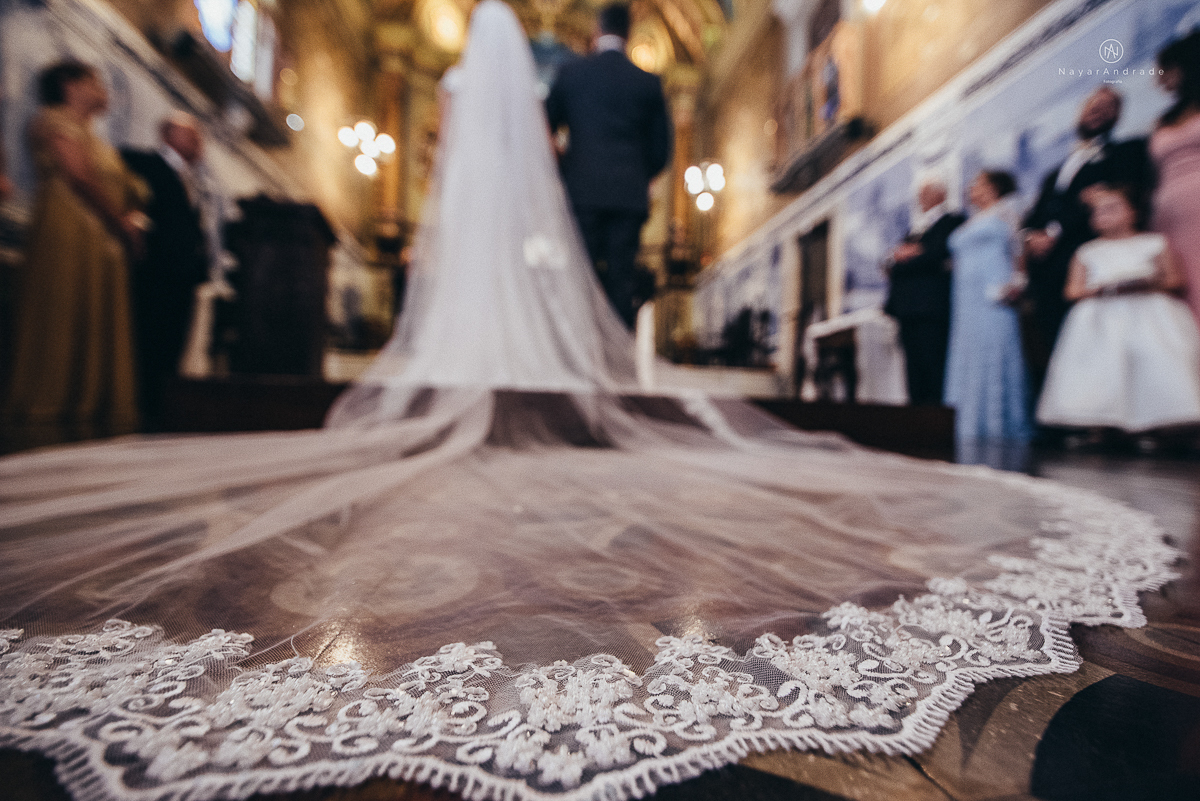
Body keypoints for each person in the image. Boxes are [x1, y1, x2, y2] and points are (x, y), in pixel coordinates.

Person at [0, 7, 1179, 801]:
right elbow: (652, 151)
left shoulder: (541, 84)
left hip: (574, 183)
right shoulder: (637, 80)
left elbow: (545, 143)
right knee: (607, 296)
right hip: (617, 195)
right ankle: (599, 367)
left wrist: (558, 174)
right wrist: (613, 185)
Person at [2, 61, 147, 451]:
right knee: (60, 312)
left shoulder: (94, 136)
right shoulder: (54, 120)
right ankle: (46, 414)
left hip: (96, 237)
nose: (104, 90)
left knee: (90, 318)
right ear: (70, 84)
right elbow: (78, 176)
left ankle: (88, 412)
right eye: (95, 82)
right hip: (67, 229)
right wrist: (120, 223)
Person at [546, 2, 672, 329]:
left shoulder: (571, 74)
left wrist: (566, 167)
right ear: (629, 34)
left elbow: (544, 129)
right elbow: (661, 151)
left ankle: (579, 347)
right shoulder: (647, 83)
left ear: (596, 31)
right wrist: (636, 175)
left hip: (582, 193)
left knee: (580, 275)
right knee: (621, 279)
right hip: (628, 198)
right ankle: (617, 354)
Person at [1037, 183, 1200, 434]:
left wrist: (1147, 283)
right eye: (1098, 211)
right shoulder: (1088, 251)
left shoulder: (1154, 243)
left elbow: (1174, 280)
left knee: (1153, 362)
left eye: (1112, 208)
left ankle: (1157, 425)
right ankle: (1099, 425)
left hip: (1149, 315)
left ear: (1133, 212)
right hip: (1101, 320)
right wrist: (1104, 288)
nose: (1103, 215)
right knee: (1101, 369)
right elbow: (1072, 290)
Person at [1021, 86, 1153, 391]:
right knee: (1054, 345)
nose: (1098, 110)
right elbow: (1036, 213)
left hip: (1090, 263)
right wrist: (1030, 236)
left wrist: (1057, 230)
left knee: (1095, 347)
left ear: (1117, 117)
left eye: (1108, 107)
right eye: (1093, 105)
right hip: (1047, 273)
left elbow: (1122, 197)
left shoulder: (1124, 154)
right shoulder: (1055, 172)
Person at [120, 114, 213, 431]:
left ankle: (161, 410)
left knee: (174, 342)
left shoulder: (193, 179)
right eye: (192, 135)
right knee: (150, 339)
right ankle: (144, 410)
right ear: (168, 134)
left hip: (183, 276)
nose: (199, 143)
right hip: (155, 272)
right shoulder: (144, 164)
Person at [944, 170, 1032, 465]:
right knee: (968, 350)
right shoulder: (971, 220)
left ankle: (998, 422)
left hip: (993, 288)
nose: (973, 189)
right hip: (965, 296)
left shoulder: (1008, 209)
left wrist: (1018, 281)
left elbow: (1018, 245)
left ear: (995, 186)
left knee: (994, 345)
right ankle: (967, 422)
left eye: (979, 184)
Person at [883, 180, 966, 405]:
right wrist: (907, 255)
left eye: (925, 193)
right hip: (907, 308)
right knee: (913, 368)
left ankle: (936, 415)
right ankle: (917, 414)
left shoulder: (952, 221)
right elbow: (896, 261)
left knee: (933, 363)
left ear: (940, 194)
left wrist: (915, 254)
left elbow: (939, 254)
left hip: (931, 306)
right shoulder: (915, 230)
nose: (921, 199)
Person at [1151, 29, 1200, 329]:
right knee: (1185, 282)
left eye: (1166, 71)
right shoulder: (1163, 120)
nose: (1160, 80)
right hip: (1168, 216)